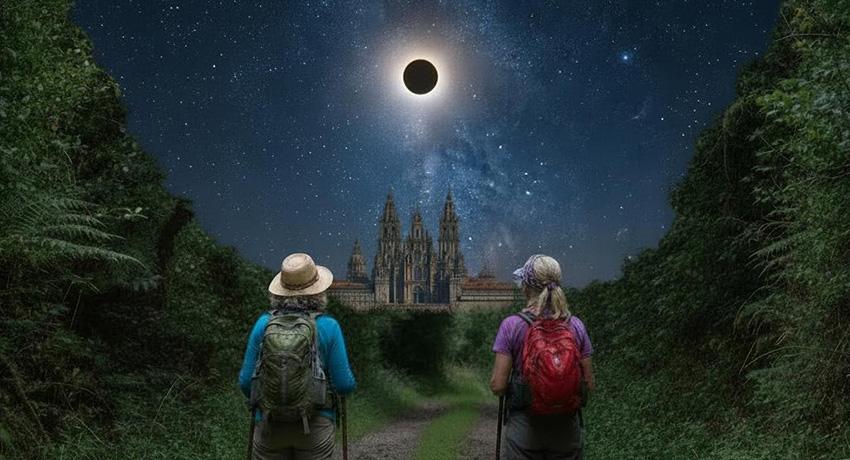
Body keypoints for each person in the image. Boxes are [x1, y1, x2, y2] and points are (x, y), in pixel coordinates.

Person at [239, 252, 356, 460]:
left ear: (279, 292)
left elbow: (246, 383)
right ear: (318, 292)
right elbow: (344, 385)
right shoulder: (328, 326)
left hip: (269, 427)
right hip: (315, 428)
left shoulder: (263, 324)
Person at [490, 254, 595, 460]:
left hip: (524, 431)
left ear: (526, 287)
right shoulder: (575, 326)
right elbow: (589, 384)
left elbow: (498, 386)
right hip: (566, 430)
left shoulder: (512, 325)